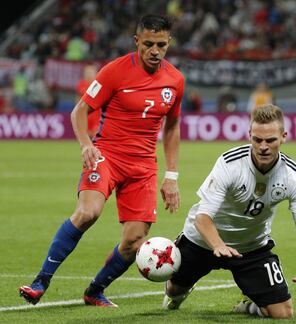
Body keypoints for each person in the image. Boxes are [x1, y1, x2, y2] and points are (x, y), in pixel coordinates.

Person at [19, 14, 184, 308]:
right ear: (137, 41)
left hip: (144, 166)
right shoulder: (115, 72)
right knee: (88, 212)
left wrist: (172, 175)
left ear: (169, 42)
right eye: (148, 44)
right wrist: (85, 145)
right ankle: (40, 282)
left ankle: (95, 290)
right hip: (107, 154)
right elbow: (79, 111)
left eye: (161, 44)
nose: (155, 51)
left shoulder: (175, 80)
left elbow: (172, 126)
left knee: (134, 241)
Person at [162, 104, 296, 319]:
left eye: (270, 140)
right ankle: (182, 289)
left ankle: (248, 303)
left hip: (251, 246)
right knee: (174, 290)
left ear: (283, 137)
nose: (263, 146)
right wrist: (218, 245)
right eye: (257, 140)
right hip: (203, 241)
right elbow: (202, 218)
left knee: (283, 312)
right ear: (249, 136)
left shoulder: (293, 176)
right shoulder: (230, 163)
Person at [76, 64, 101, 138]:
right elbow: (78, 98)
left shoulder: (98, 84)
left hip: (96, 114)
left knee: (96, 135)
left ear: (95, 73)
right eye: (87, 72)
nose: (89, 74)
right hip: (85, 114)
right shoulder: (81, 84)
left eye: (91, 72)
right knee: (86, 135)